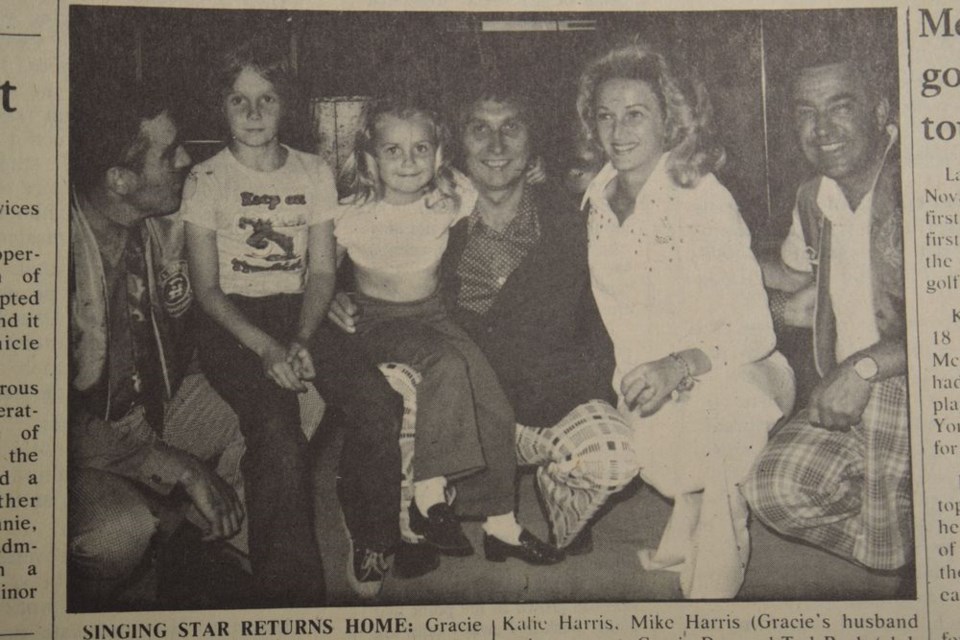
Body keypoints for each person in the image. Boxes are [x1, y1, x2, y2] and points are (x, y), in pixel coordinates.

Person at [330, 80, 640, 575]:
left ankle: (548, 496)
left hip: (545, 401)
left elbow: (605, 325)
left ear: (532, 144)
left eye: (511, 129)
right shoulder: (431, 217)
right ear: (452, 149)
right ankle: (410, 511)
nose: (496, 146)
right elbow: (368, 266)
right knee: (404, 375)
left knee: (612, 457)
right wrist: (335, 300)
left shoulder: (572, 222)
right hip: (454, 407)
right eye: (480, 130)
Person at [181, 41, 403, 603]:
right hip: (233, 319)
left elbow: (323, 271)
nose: (254, 114)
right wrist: (267, 349)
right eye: (239, 100)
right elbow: (206, 290)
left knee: (378, 402)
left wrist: (303, 338)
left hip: (300, 307)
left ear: (287, 105)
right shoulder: (206, 180)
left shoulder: (313, 170)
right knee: (277, 431)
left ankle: (372, 534)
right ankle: (290, 595)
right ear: (222, 107)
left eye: (267, 99)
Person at [577, 43, 795, 598]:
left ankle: (718, 572)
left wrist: (678, 366)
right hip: (647, 376)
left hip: (738, 369)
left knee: (715, 431)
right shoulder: (598, 197)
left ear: (669, 120)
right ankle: (690, 516)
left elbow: (755, 328)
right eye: (605, 115)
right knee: (662, 466)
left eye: (636, 114)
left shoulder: (700, 198)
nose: (618, 130)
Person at [335, 96, 561, 565]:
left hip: (433, 313)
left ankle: (501, 524)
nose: (408, 161)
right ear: (369, 158)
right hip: (377, 319)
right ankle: (428, 497)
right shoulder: (351, 211)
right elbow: (316, 270)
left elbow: (503, 181)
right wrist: (332, 301)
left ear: (439, 155)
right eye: (392, 150)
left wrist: (538, 172)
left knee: (492, 398)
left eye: (421, 148)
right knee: (446, 364)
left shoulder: (450, 196)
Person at [68, 84, 246, 611]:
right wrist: (180, 465)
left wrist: (310, 292)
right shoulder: (42, 250)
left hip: (156, 408)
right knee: (119, 532)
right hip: (80, 445)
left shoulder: (162, 218)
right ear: (120, 181)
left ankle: (198, 536)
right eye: (169, 154)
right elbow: (50, 423)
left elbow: (251, 253)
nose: (186, 159)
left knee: (294, 386)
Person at [741, 50, 911, 576]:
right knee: (771, 491)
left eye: (840, 107)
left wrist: (864, 369)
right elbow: (797, 278)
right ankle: (907, 528)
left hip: (919, 395)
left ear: (881, 108)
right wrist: (713, 251)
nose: (822, 128)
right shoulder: (814, 197)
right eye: (805, 112)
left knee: (882, 391)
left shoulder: (926, 184)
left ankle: (908, 548)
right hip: (850, 399)